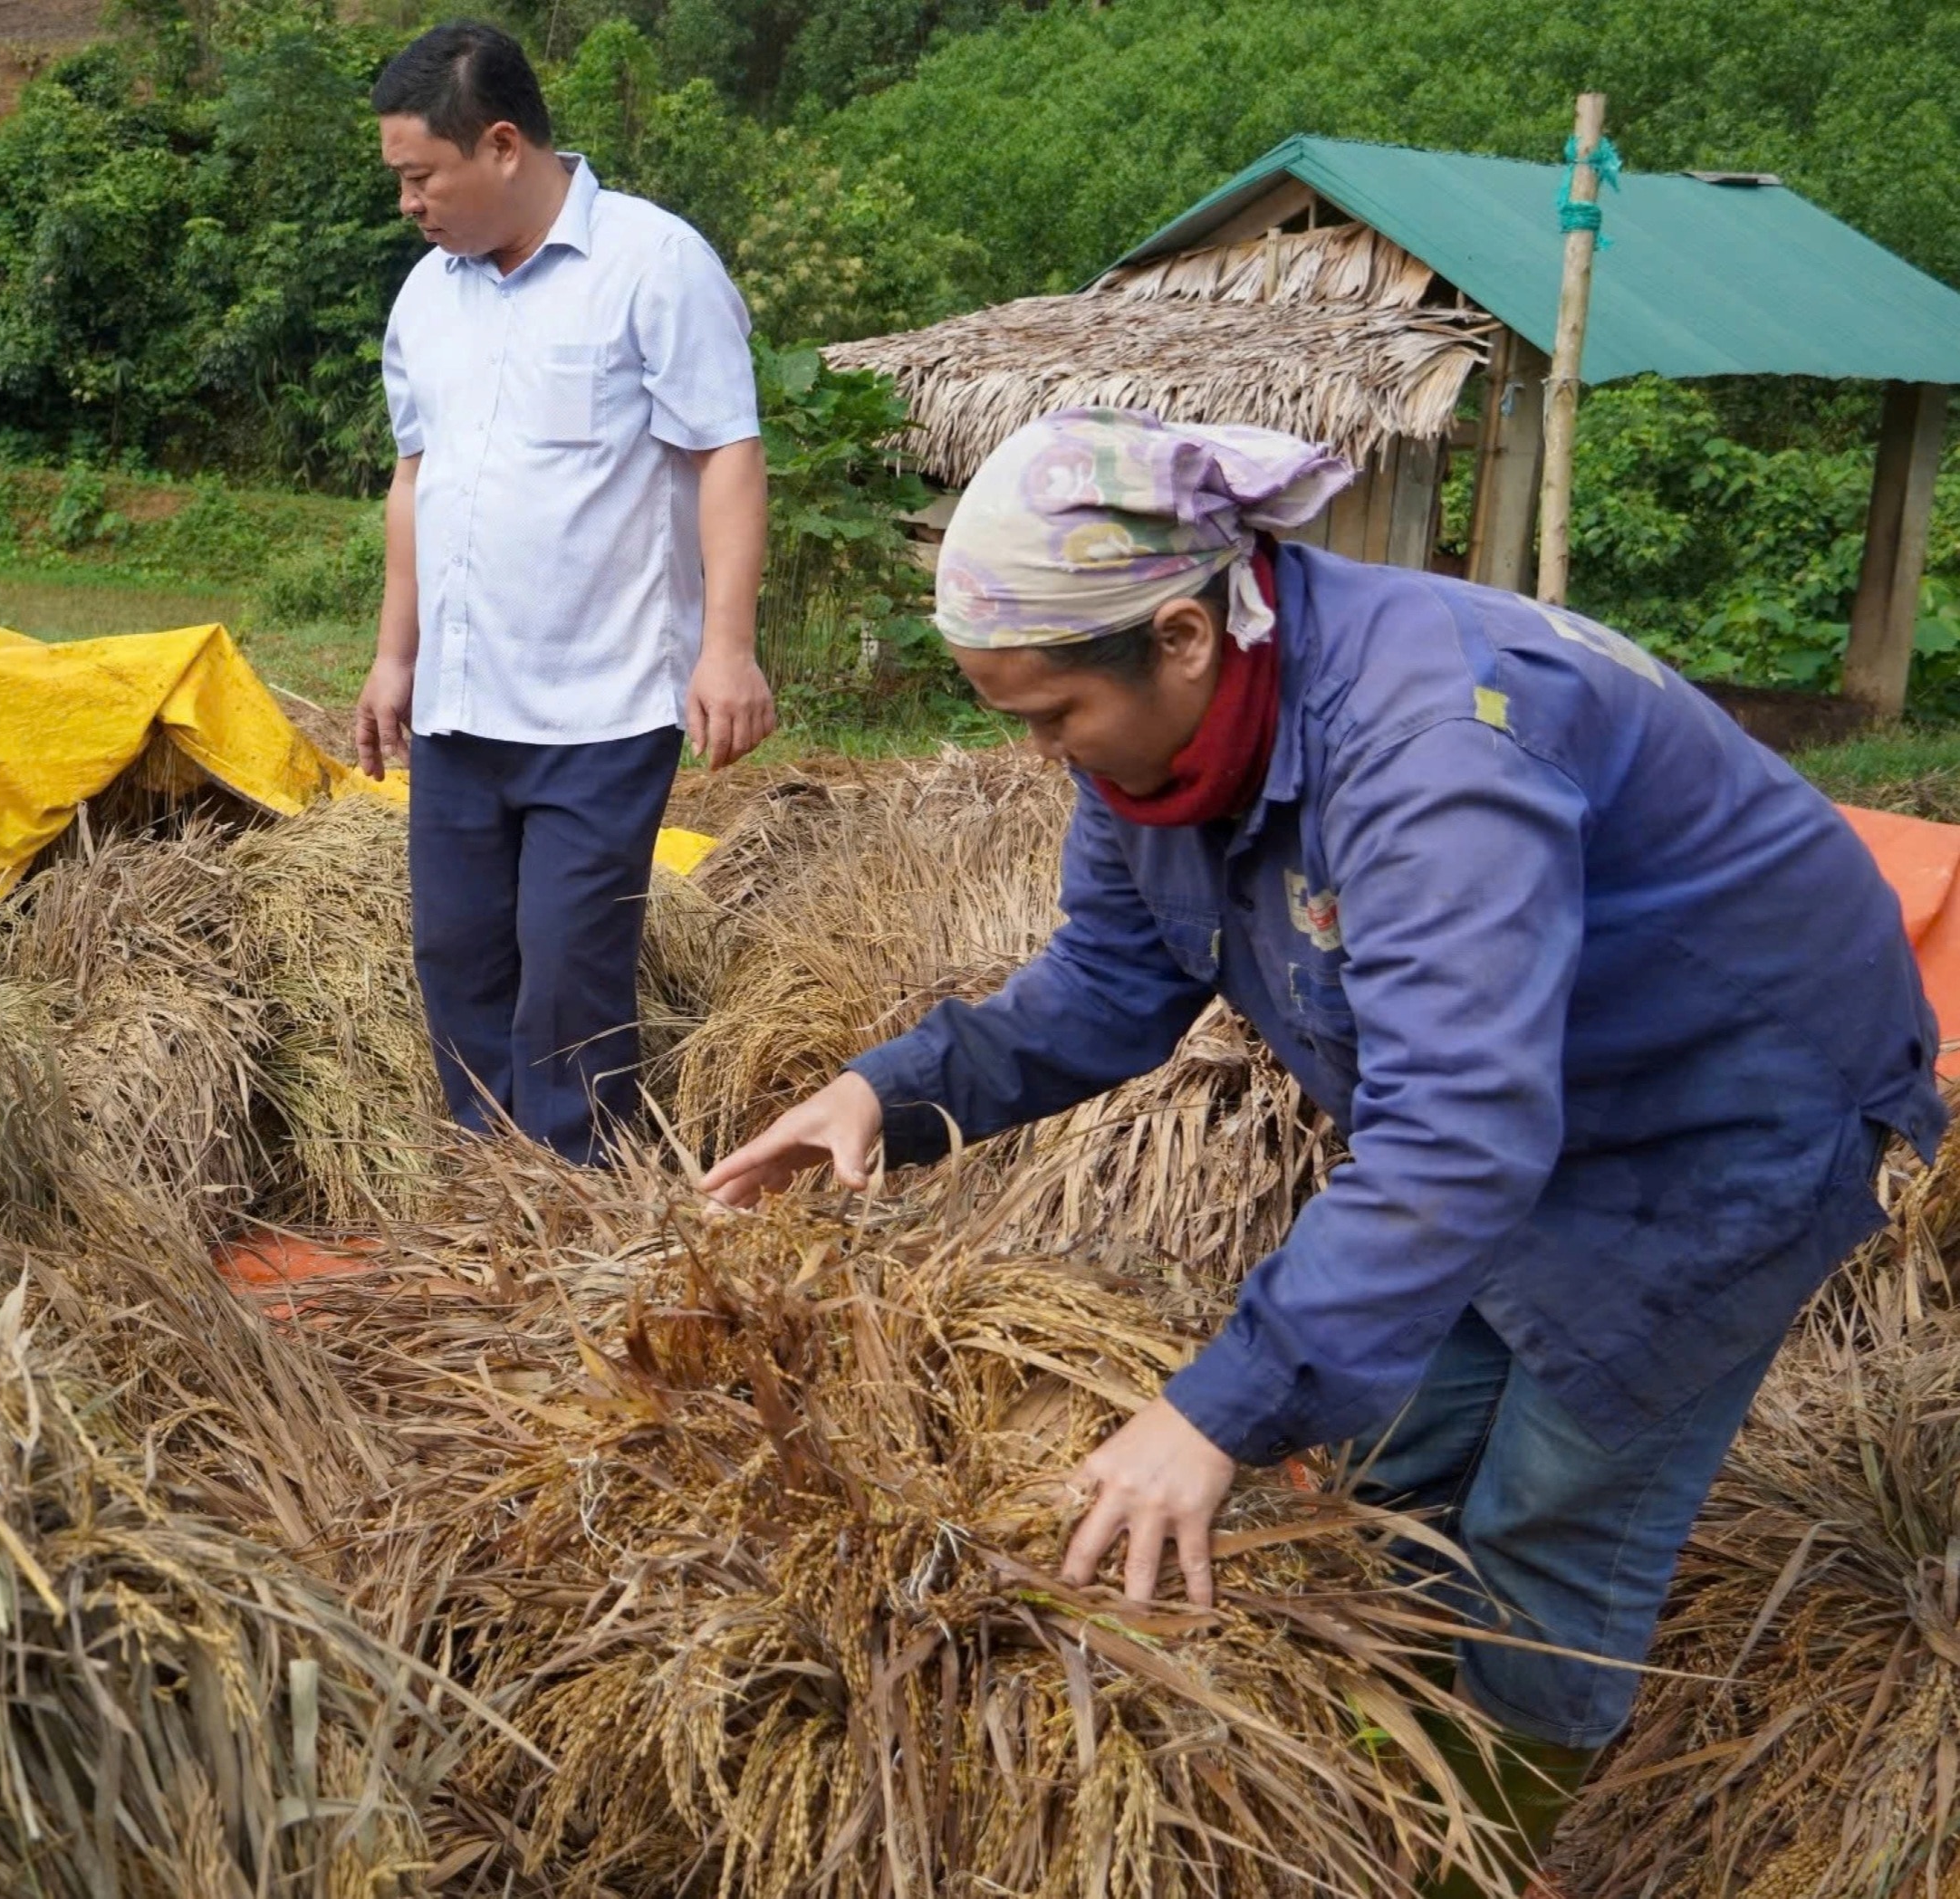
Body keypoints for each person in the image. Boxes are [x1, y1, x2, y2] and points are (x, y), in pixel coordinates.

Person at [701, 407, 1944, 1890]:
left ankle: (1470, 1856)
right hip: (1517, 1091)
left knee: (1555, 1502)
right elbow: (1109, 981)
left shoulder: (1429, 752)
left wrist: (1214, 1412)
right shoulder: (1163, 750)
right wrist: (887, 1096)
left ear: (1178, 635)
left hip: (1725, 1100)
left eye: (1047, 716)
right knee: (1398, 1450)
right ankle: (1378, 1775)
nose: (1040, 757)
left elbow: (1462, 1133)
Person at [356, 22, 776, 1166]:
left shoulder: (652, 262)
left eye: (420, 176)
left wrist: (726, 650)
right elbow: (414, 482)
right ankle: (490, 1191)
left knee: (566, 970)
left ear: (500, 146)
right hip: (458, 699)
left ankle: (577, 1204)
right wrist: (396, 655)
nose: (409, 204)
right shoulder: (426, 301)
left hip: (601, 701)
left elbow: (725, 454)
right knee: (456, 957)